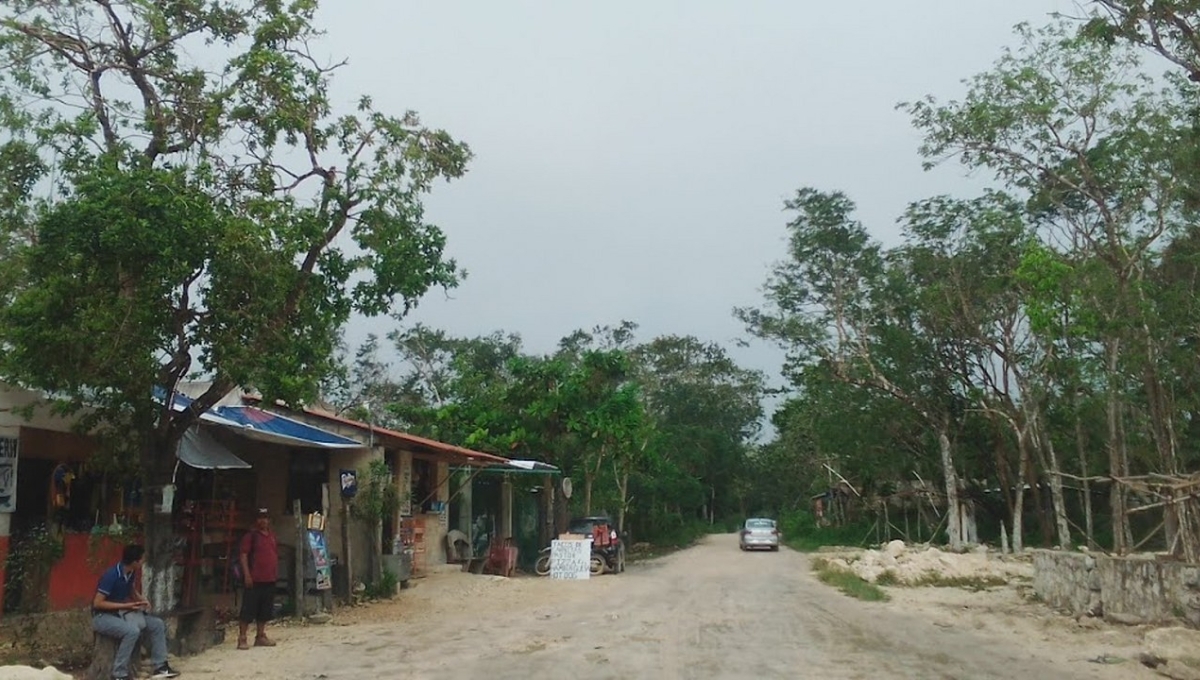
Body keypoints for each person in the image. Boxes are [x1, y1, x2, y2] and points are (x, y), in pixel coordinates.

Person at [92, 544, 180, 680]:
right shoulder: (112, 575)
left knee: (157, 624)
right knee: (132, 631)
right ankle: (119, 673)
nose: (144, 561)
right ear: (135, 562)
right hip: (103, 617)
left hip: (123, 613)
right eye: (142, 559)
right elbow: (98, 603)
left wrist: (141, 600)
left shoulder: (131, 572)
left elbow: (131, 590)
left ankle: (160, 666)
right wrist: (126, 606)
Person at [238, 507, 279, 650]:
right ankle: (242, 638)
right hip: (254, 579)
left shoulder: (271, 536)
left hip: (269, 579)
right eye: (260, 518)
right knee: (248, 609)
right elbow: (243, 555)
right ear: (256, 520)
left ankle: (260, 636)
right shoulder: (251, 536)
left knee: (265, 610)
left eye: (266, 518)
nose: (263, 521)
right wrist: (247, 575)